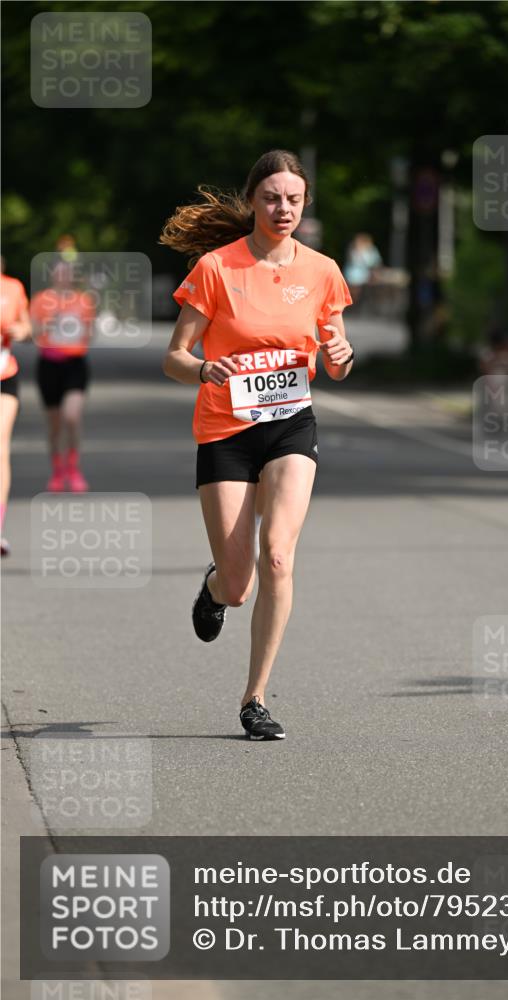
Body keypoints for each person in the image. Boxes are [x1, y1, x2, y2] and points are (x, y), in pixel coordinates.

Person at [160, 149, 353, 741]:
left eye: (294, 199)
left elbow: (336, 358)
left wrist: (341, 356)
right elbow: (174, 356)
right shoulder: (216, 268)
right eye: (272, 198)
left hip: (291, 423)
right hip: (227, 428)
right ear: (252, 202)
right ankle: (215, 586)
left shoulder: (322, 271)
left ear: (305, 204)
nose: (283, 208)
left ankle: (255, 699)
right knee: (240, 583)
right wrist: (202, 369)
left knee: (278, 556)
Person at [30, 261, 95, 492]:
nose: (63, 277)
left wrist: (76, 329)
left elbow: (90, 333)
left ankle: (74, 468)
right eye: (59, 273)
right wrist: (51, 321)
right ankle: (58, 470)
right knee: (55, 424)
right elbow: (32, 333)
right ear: (53, 276)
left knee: (72, 416)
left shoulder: (83, 300)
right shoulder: (41, 300)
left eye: (67, 274)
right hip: (49, 364)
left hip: (75, 364)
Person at [0, 258, 32, 556]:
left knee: (0, 448)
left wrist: (20, 330)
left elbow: (27, 326)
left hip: (4, 376)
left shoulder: (12, 288)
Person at [343, 232, 382, 311]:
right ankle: (355, 303)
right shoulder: (353, 250)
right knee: (355, 285)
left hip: (367, 275)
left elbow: (375, 263)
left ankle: (364, 303)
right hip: (355, 275)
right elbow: (355, 263)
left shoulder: (371, 250)